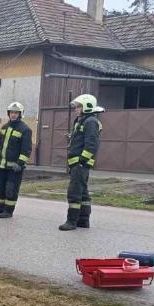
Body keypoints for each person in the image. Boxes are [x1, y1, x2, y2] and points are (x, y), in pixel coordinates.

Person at [59, 94, 104, 231]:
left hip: (80, 164)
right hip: (77, 163)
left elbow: (91, 144)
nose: (75, 109)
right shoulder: (82, 120)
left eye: (78, 106)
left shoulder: (90, 121)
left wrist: (82, 161)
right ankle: (83, 221)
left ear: (87, 107)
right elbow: (81, 139)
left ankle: (71, 221)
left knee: (74, 192)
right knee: (83, 193)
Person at [0, 102, 32, 219]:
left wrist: (20, 163)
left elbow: (26, 149)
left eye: (16, 113)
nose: (13, 115)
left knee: (11, 189)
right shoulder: (4, 127)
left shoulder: (25, 129)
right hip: (2, 165)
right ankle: (0, 208)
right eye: (12, 112)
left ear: (20, 114)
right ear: (9, 114)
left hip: (15, 167)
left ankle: (8, 211)